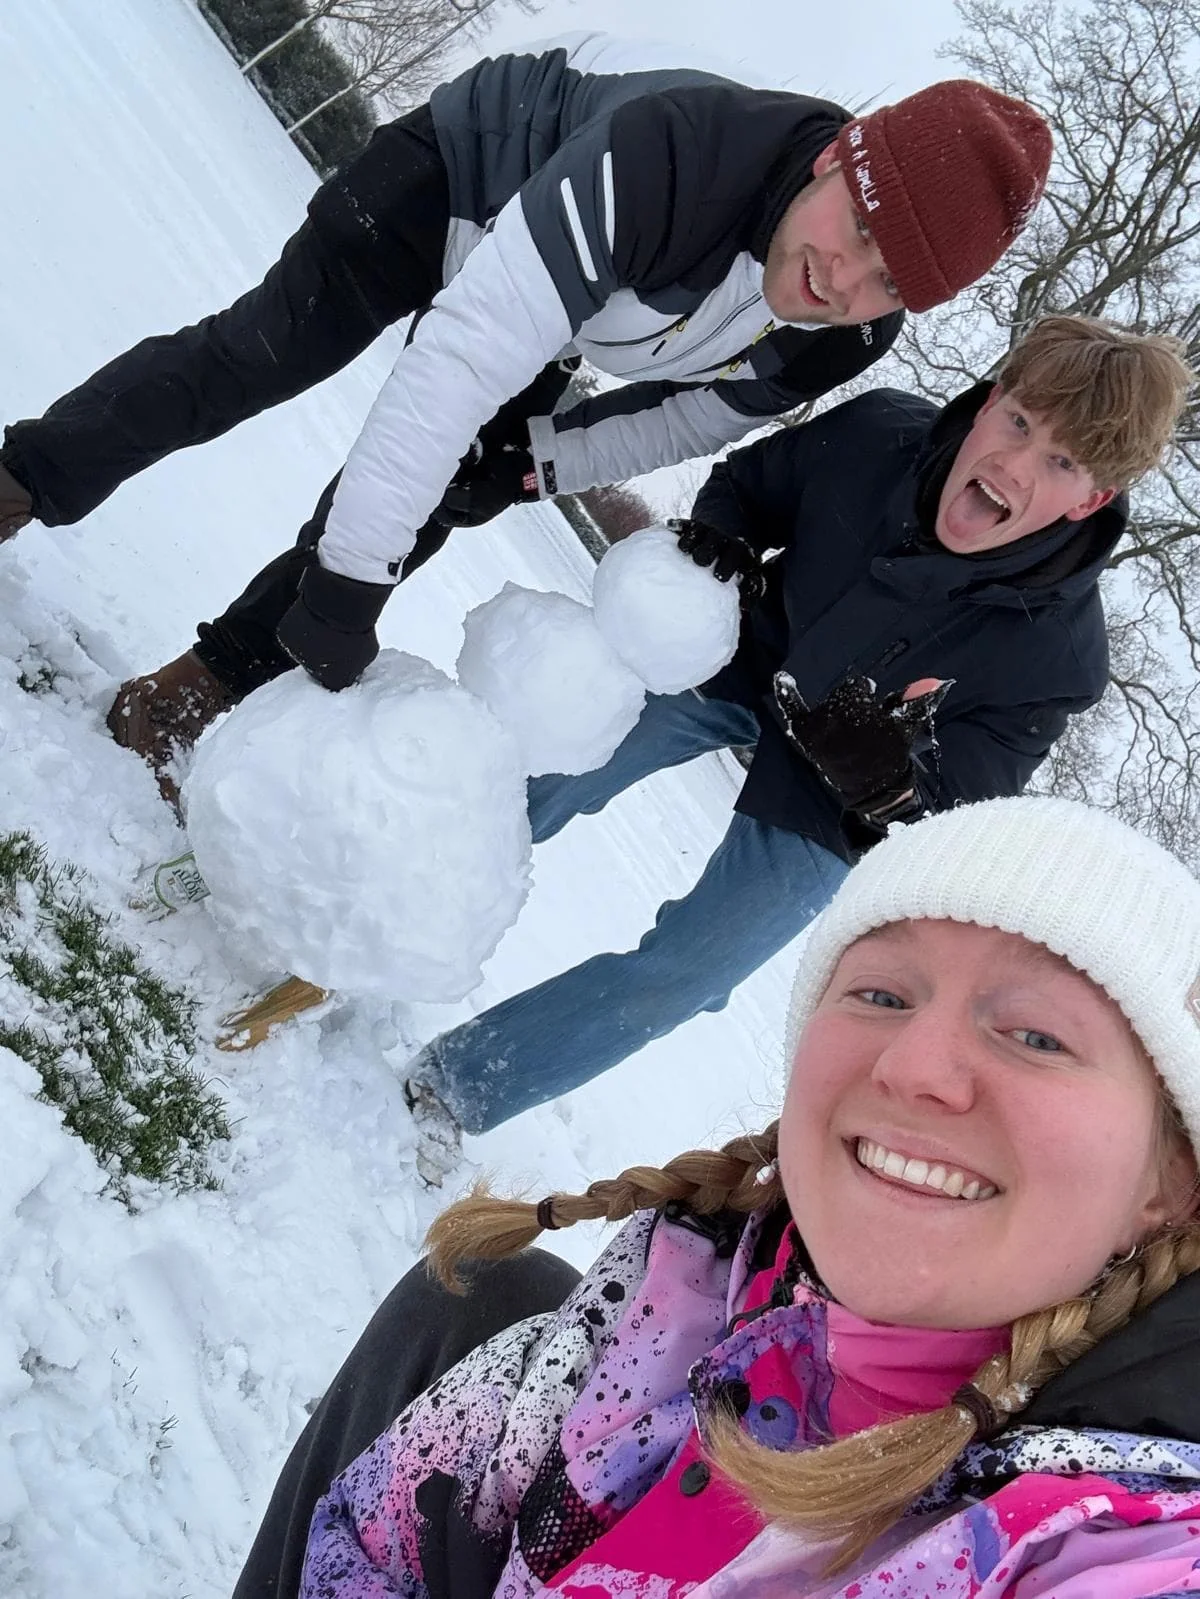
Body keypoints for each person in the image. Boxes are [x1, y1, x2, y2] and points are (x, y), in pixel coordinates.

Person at [0, 35, 1052, 800]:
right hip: (459, 183)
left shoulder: (845, 336)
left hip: (560, 322)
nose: (843, 280)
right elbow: (460, 359)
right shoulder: (678, 157)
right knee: (260, 355)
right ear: (835, 157)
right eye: (859, 227)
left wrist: (533, 464)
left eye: (889, 281)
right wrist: (344, 587)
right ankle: (19, 482)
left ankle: (184, 696)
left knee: (435, 503)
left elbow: (690, 422)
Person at [230, 793, 1200, 1599]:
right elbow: (374, 1535)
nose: (913, 1066)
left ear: (1171, 1179)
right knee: (483, 1289)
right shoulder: (677, 1302)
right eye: (882, 994)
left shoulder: (1116, 1553)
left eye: (1036, 1036)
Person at [403, 314, 1194, 1152]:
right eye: (1020, 421)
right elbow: (744, 489)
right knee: (556, 770)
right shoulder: (877, 433)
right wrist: (726, 543)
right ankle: (385, 917)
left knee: (693, 968)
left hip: (833, 800)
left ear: (1091, 499)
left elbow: (964, 797)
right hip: (747, 652)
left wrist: (889, 780)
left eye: (1061, 463)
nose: (1014, 463)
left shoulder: (1060, 656)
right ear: (993, 397)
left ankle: (453, 1088)